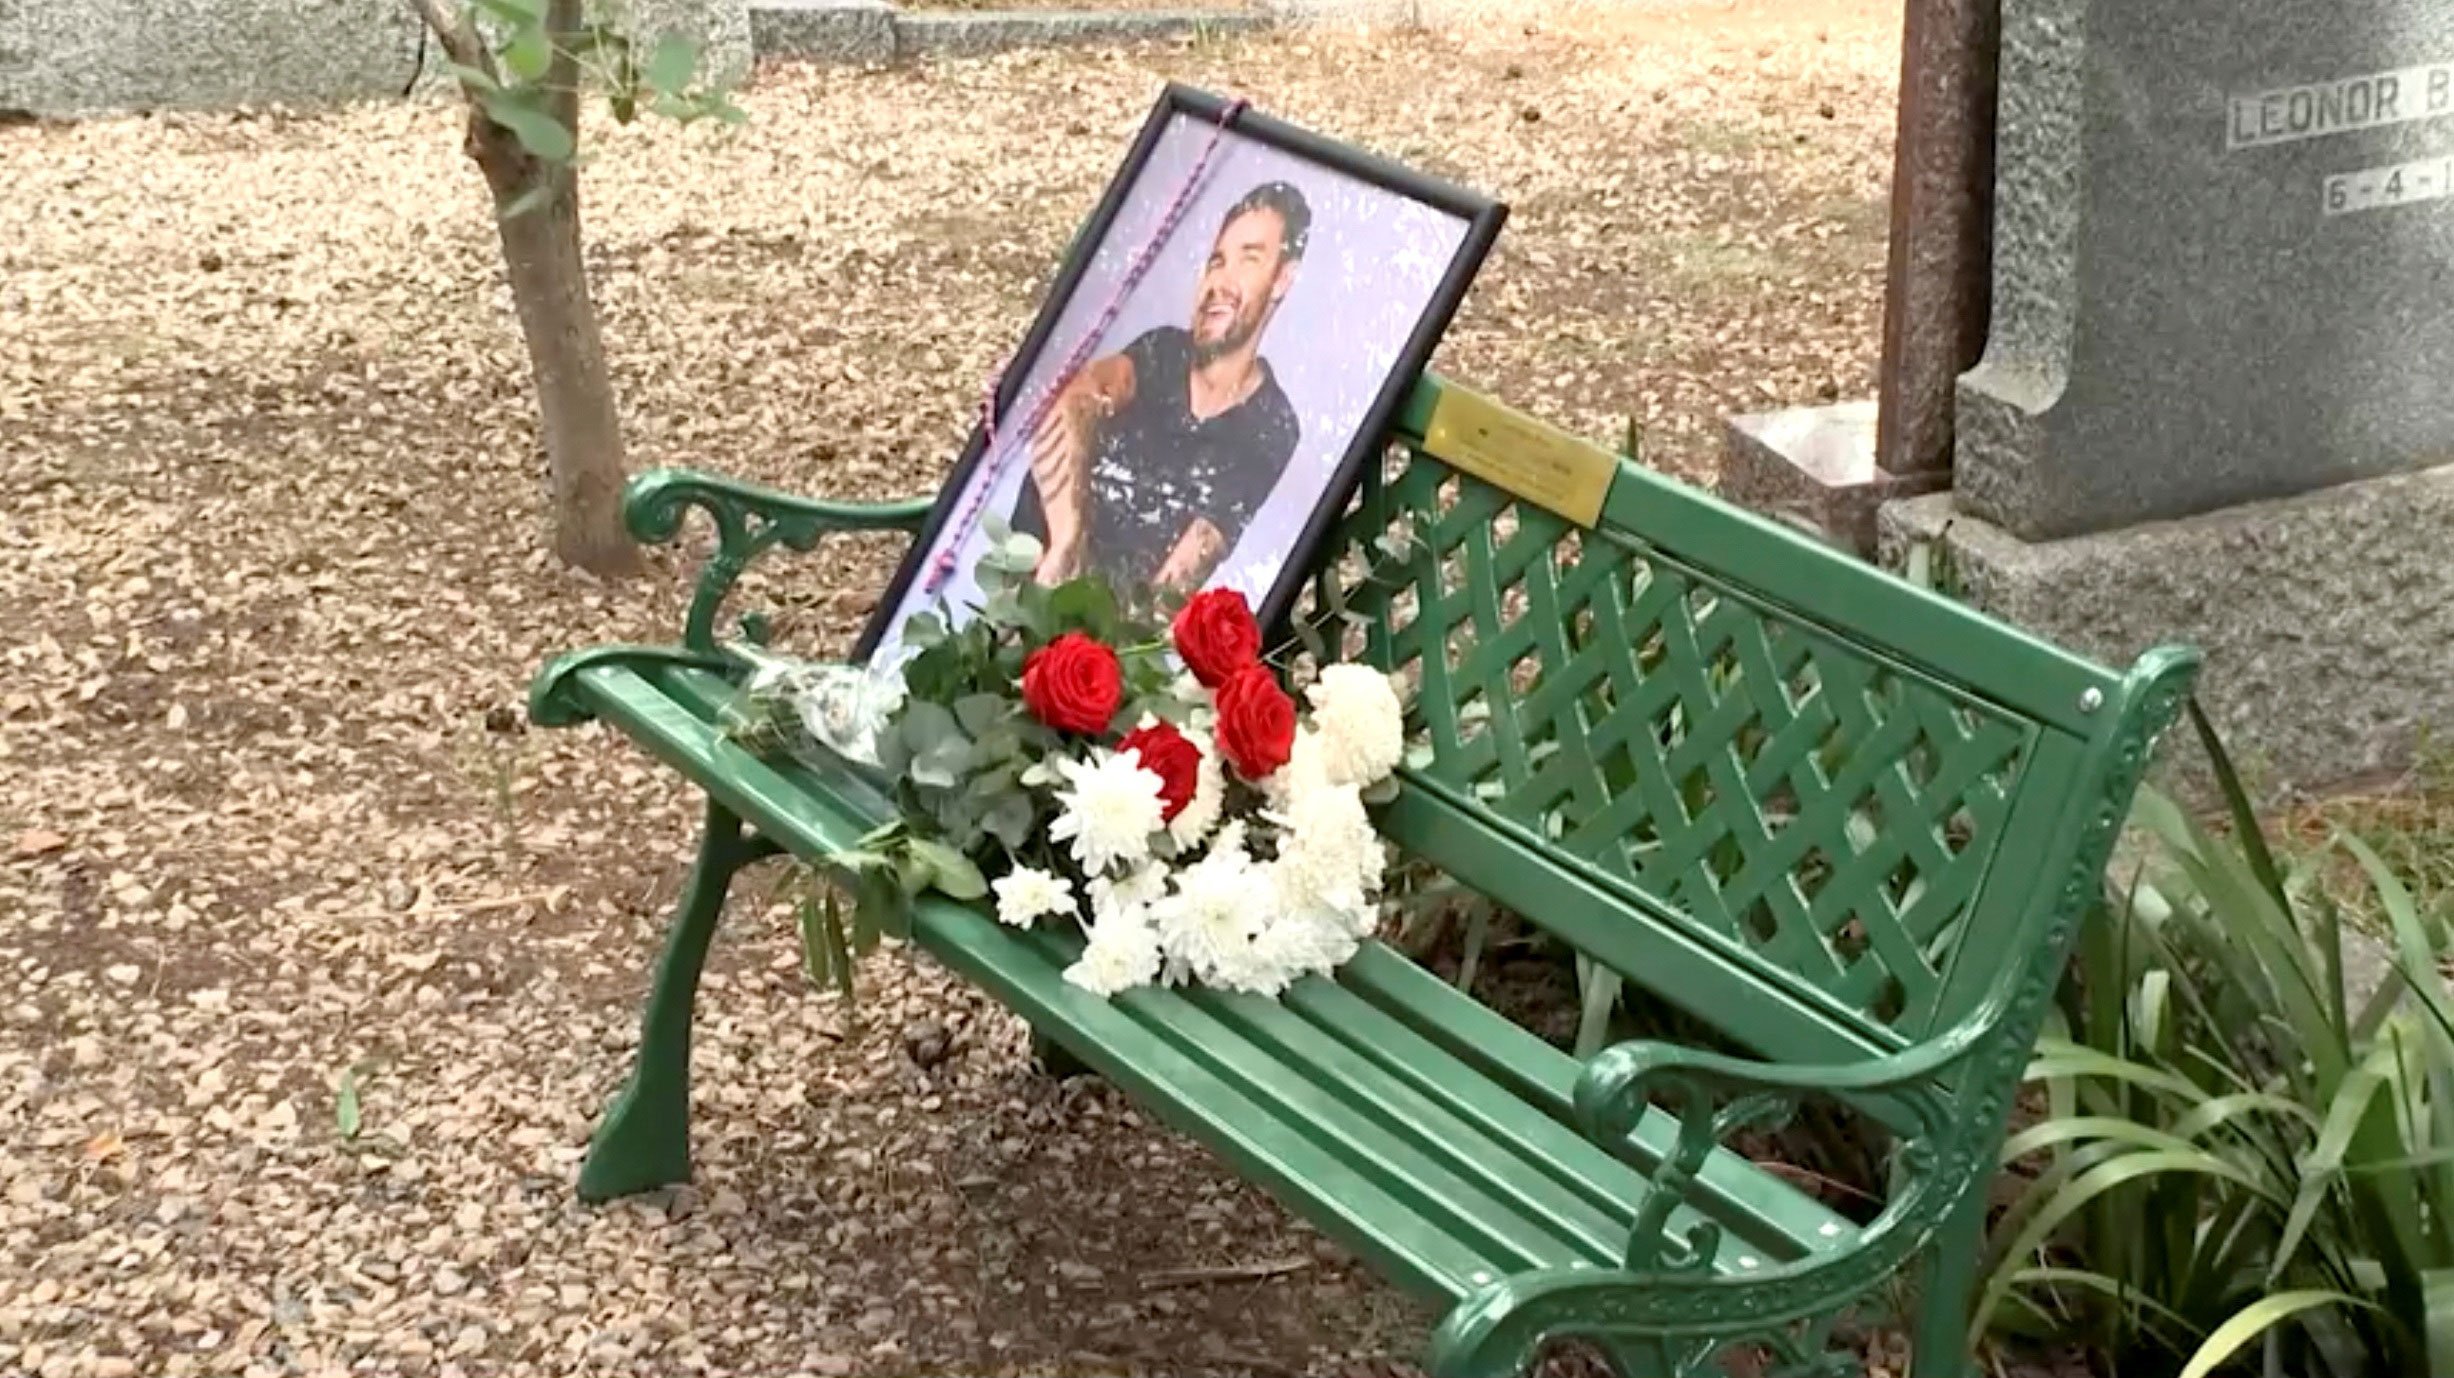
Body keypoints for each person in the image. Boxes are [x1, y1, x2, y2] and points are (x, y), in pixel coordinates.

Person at [1013, 180, 1310, 592]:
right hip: (1019, 582)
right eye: (1216, 261)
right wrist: (1067, 540)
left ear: (1282, 279)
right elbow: (1074, 397)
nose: (1220, 281)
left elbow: (1176, 584)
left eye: (1249, 260)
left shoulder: (1269, 424)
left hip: (1097, 635)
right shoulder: (1162, 351)